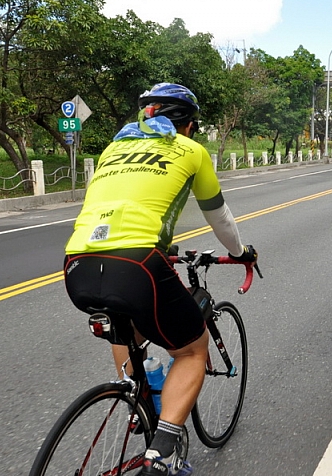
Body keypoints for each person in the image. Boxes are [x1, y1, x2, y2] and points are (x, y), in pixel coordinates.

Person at [62, 83, 258, 476]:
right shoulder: (191, 151)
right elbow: (219, 217)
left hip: (77, 263)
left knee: (125, 329)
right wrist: (241, 254)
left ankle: (139, 401)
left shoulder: (113, 150)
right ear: (187, 126)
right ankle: (163, 452)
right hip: (138, 263)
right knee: (191, 350)